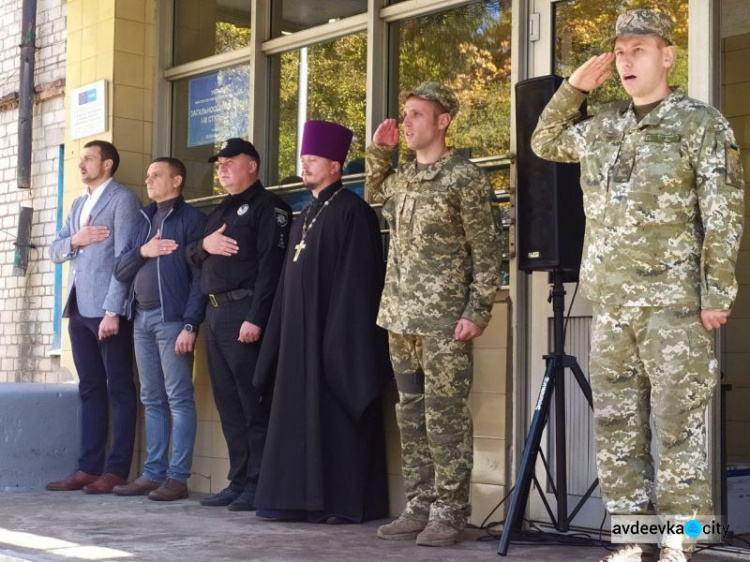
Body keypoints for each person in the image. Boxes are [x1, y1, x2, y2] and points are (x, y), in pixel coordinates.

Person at [530, 9, 744, 562]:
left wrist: (717, 294)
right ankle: (633, 541)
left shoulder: (700, 122)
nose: (626, 60)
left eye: (639, 49)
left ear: (667, 55)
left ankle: (683, 545)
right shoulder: (603, 127)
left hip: (675, 306)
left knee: (680, 432)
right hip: (612, 307)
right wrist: (576, 87)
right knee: (619, 432)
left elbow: (723, 214)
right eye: (620, 51)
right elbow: (544, 140)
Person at [366, 83, 501, 546]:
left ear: (443, 121)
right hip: (400, 317)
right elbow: (373, 196)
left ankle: (450, 512)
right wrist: (380, 154)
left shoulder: (465, 178)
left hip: (446, 322)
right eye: (405, 113)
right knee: (411, 415)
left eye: (417, 114)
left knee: (445, 417)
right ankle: (419, 505)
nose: (407, 122)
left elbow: (488, 251)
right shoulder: (402, 178)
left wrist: (477, 310)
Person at [253, 120, 392, 524]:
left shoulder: (354, 212)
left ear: (335, 165)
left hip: (334, 341)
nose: (305, 165)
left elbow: (359, 283)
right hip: (299, 338)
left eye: (313, 159)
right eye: (303, 159)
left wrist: (338, 340)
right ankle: (296, 500)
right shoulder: (306, 214)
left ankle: (340, 503)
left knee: (335, 420)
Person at [185, 138, 291, 511]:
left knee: (251, 402)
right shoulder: (219, 212)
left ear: (253, 165)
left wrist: (255, 317)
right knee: (228, 404)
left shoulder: (270, 207)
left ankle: (260, 482)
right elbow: (192, 254)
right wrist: (206, 246)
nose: (223, 168)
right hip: (215, 314)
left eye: (230, 162)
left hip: (243, 311)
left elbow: (271, 268)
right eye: (219, 164)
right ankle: (239, 479)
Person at [47, 140, 141, 494]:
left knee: (119, 387)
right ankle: (89, 467)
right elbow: (56, 251)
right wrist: (77, 238)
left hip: (107, 311)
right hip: (77, 307)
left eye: (88, 159)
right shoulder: (77, 203)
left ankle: (116, 470)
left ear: (108, 164)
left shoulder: (123, 200)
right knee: (89, 389)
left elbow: (125, 259)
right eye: (80, 158)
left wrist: (113, 309)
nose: (81, 164)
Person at [112, 157, 207, 501]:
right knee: (151, 398)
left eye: (156, 175)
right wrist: (145, 250)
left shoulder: (193, 219)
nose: (148, 180)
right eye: (147, 175)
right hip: (141, 319)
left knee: (179, 398)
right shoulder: (144, 220)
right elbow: (121, 268)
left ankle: (177, 477)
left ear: (177, 179)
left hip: (173, 321)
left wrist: (189, 324)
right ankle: (153, 473)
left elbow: (200, 279)